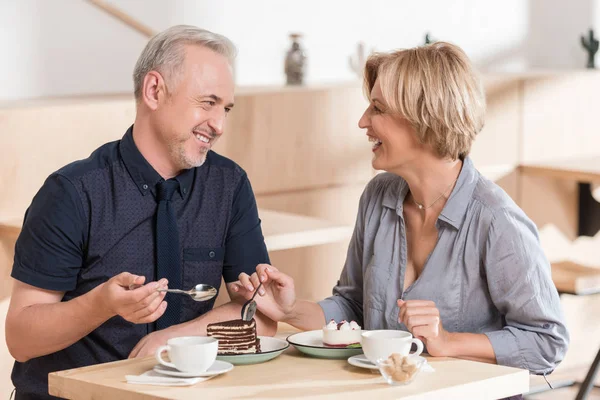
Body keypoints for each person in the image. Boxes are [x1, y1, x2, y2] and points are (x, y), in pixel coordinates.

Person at [234, 42, 569, 378]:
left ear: (425, 119)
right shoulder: (377, 198)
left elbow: (547, 343)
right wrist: (289, 309)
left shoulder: (496, 221)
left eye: (377, 109)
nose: (363, 121)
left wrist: (449, 341)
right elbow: (353, 308)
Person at [5, 25, 276, 400]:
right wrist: (99, 305)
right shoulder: (72, 192)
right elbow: (21, 338)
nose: (219, 125)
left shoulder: (228, 185)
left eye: (225, 108)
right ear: (154, 91)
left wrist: (174, 336)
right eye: (207, 103)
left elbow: (260, 315)